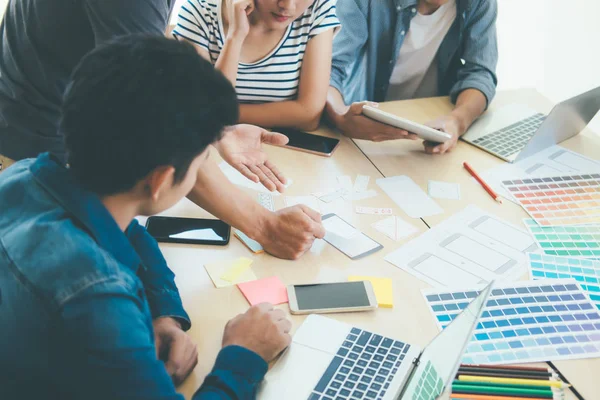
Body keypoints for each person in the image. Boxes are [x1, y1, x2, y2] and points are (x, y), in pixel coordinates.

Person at [0, 35, 292, 399]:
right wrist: (244, 354)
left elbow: (130, 235)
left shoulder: (21, 176)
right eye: (202, 161)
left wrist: (164, 313)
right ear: (160, 181)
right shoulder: (99, 299)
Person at [0, 0, 325, 259]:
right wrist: (264, 225)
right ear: (160, 180)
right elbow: (155, 124)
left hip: (47, 139)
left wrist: (216, 130)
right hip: (38, 146)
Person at [325, 0, 498, 154]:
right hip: (362, 126)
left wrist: (457, 121)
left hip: (430, 123)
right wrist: (341, 116)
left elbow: (480, 73)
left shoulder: (479, 3)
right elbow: (327, 68)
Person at [173, 0, 340, 131]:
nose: (287, 6)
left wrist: (219, 113)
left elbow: (309, 115)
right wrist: (235, 36)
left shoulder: (318, 8)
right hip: (215, 149)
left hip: (288, 151)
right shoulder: (198, 12)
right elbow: (199, 111)